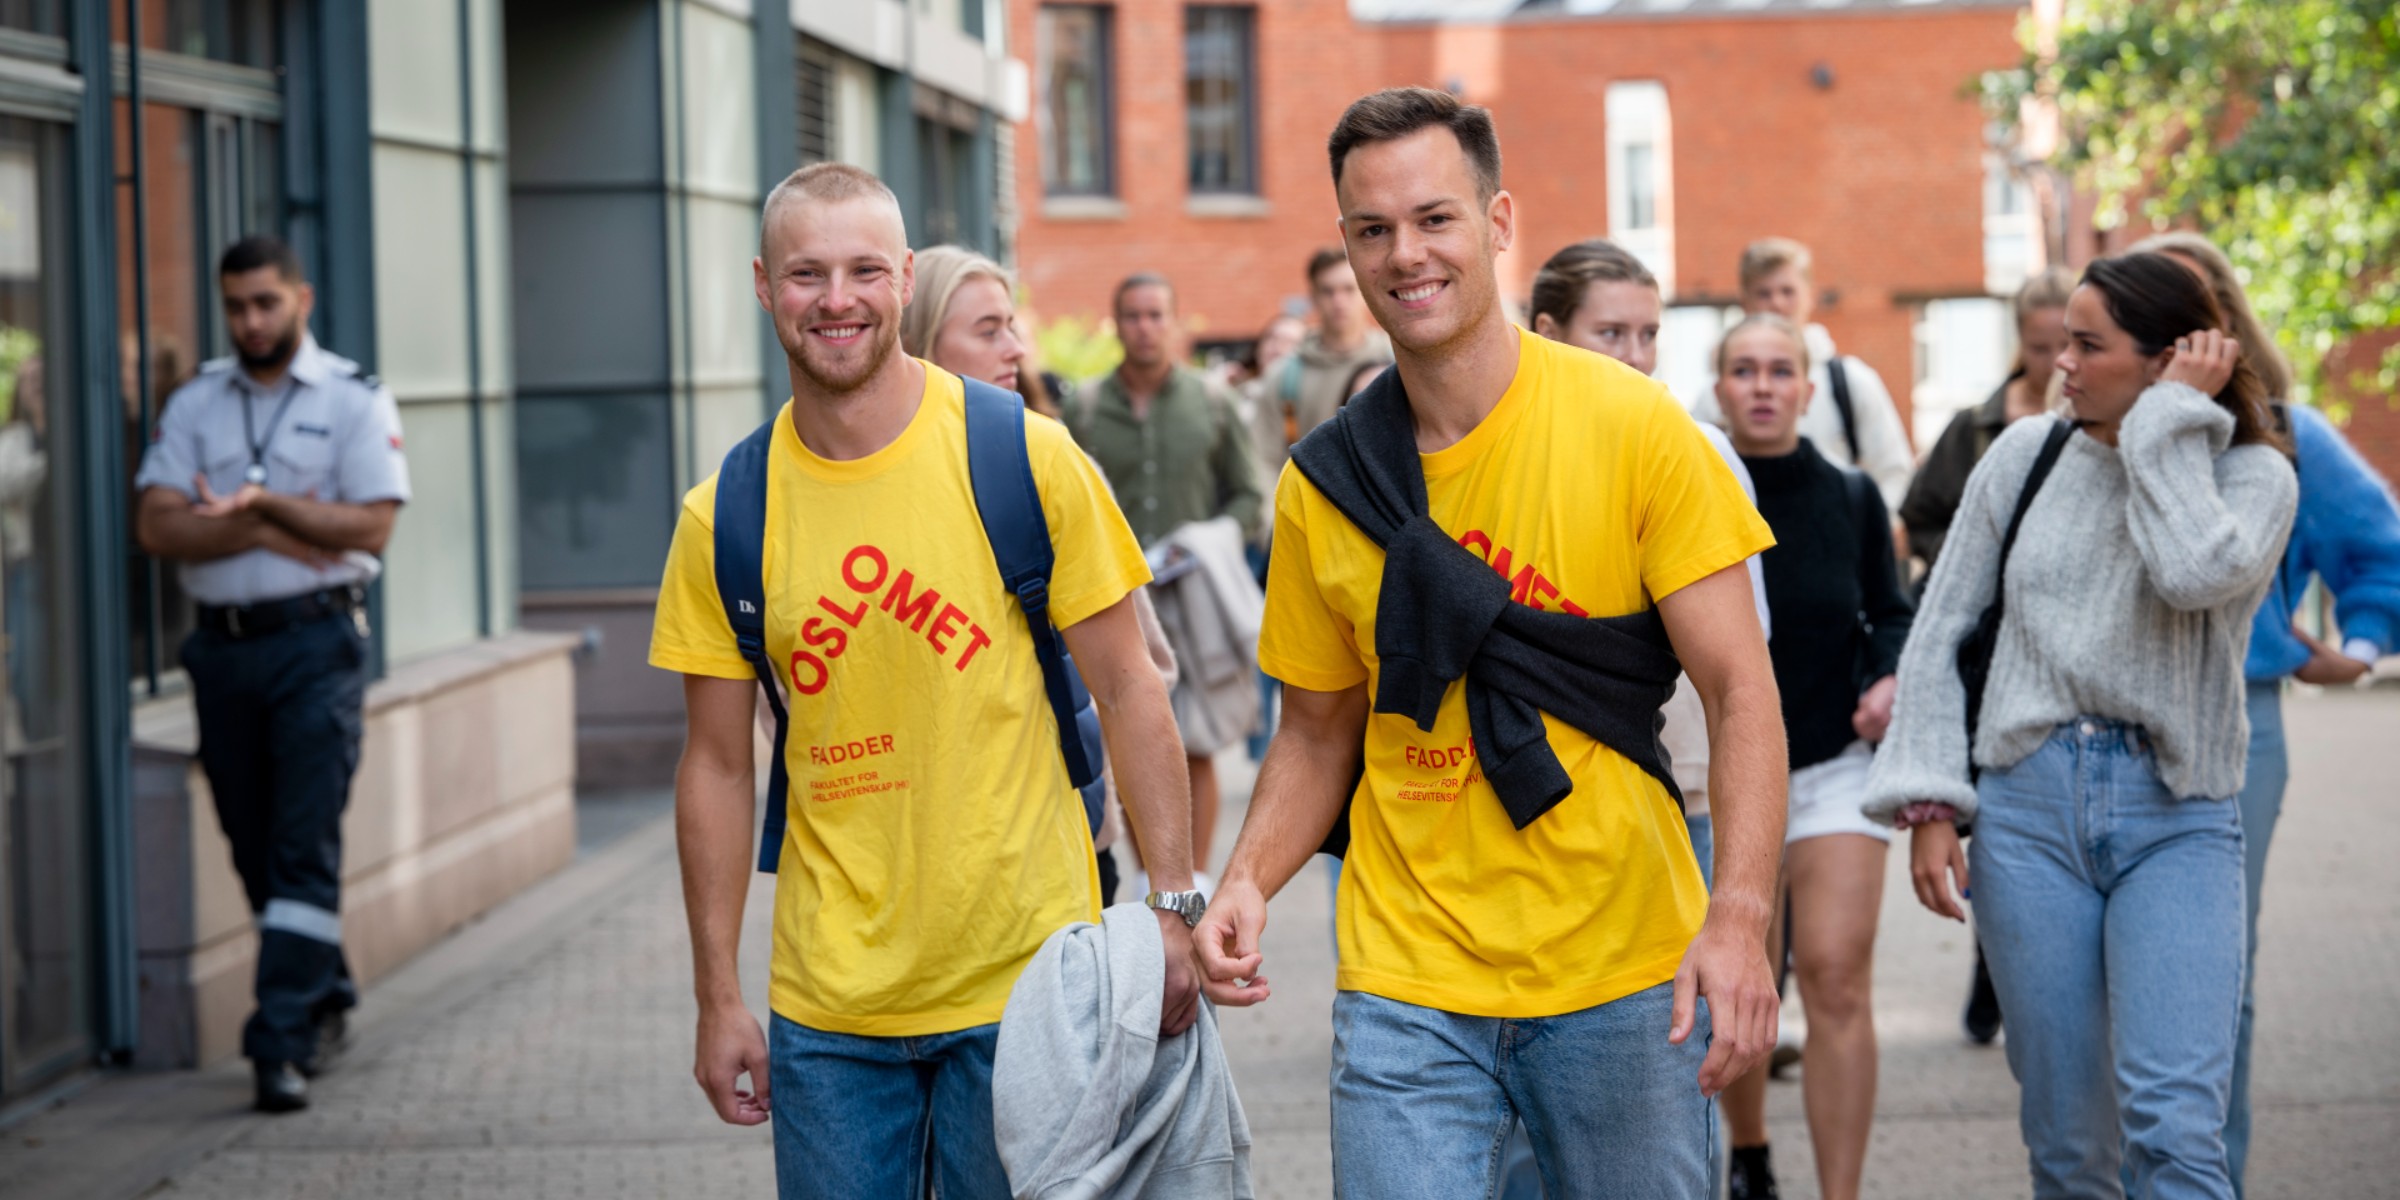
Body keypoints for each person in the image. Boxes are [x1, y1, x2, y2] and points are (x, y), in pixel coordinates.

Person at [1192, 87, 1786, 1199]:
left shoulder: (1634, 429)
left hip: (1623, 972)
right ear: (1347, 248)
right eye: (1373, 230)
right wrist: (1245, 882)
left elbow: (1741, 687)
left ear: (1499, 222)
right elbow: (1320, 732)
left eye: (1434, 219)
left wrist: (1742, 914)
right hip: (1406, 979)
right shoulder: (1326, 482)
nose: (1405, 255)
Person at [653, 165, 1203, 1200]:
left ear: (904, 280)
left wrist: (1171, 910)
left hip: (1028, 989)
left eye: (864, 269)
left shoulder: (1026, 460)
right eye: (807, 273)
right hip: (829, 1017)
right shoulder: (723, 513)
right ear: (765, 287)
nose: (837, 298)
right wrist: (719, 994)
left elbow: (1133, 690)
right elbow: (720, 767)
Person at [1870, 251, 2296, 1198]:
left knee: (2176, 1129)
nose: (2060, 363)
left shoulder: (2256, 479)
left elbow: (2191, 574)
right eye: (2062, 340)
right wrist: (1932, 799)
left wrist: (2165, 431)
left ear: (2169, 361)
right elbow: (1941, 628)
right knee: (2068, 1147)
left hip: (2177, 816)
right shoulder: (2024, 453)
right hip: (2028, 814)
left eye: (2089, 345)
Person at [2132, 229, 2400, 1197]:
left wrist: (2358, 649)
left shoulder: (2286, 432)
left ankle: (2209, 1179)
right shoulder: (2087, 435)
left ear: (2224, 324)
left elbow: (2378, 549)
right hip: (2097, 726)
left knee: (2211, 980)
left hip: (2239, 723)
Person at [131, 236, 411, 1114]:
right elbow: (159, 526)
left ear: (303, 297)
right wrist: (269, 531)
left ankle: (278, 1039)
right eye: (237, 306)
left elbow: (369, 529)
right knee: (252, 843)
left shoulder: (354, 398)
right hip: (221, 651)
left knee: (300, 843)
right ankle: (324, 990)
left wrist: (258, 505)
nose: (251, 321)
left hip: (315, 647)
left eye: (266, 303)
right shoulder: (197, 402)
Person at [1527, 235, 1776, 1200]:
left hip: (1678, 798)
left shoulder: (1693, 451)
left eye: (1648, 334)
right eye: (1609, 332)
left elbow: (1739, 667)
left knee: (1653, 1077)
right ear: (1548, 333)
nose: (1633, 355)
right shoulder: (1503, 453)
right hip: (1526, 808)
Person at [897, 243, 1182, 910]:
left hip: (1066, 845)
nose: (1017, 350)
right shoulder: (860, 492)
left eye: (1013, 327)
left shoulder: (1051, 466)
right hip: (916, 865)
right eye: (989, 330)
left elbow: (1145, 673)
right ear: (919, 343)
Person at [1712, 312, 1913, 1200]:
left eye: (1779, 370)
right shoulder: (1687, 483)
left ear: (1806, 387)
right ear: (1718, 389)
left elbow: (1891, 607)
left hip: (1834, 763)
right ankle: (1750, 1153)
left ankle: (1842, 1193)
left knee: (1834, 977)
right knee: (1743, 975)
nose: (1762, 385)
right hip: (1720, 778)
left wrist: (1888, 674)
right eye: (1744, 370)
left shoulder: (1854, 497)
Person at [1898, 265, 2074, 1047]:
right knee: (1990, 810)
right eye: (2040, 344)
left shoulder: (2102, 424)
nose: (2053, 360)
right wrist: (1974, 554)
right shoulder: (1976, 427)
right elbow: (1919, 515)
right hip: (1985, 652)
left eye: (2067, 342)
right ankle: (1990, 958)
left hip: (2063, 651)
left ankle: (2020, 965)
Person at [1067, 272, 1264, 875]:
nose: (1145, 328)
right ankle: (1154, 877)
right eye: (1132, 316)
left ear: (1175, 322)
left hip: (1190, 595)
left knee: (1193, 739)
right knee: (1126, 733)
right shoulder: (1085, 407)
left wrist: (1206, 542)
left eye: (1156, 315)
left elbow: (1251, 499)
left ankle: (1194, 882)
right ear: (1116, 323)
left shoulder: (1212, 402)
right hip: (1114, 598)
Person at [1693, 237, 1915, 513]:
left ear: (1810, 294)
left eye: (1788, 291)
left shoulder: (1851, 381)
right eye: (1764, 293)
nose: (1776, 303)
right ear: (1744, 301)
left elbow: (1894, 471)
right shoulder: (1714, 392)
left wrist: (1864, 532)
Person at [1253, 247, 1393, 485]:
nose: (1338, 301)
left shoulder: (1397, 360)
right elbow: (1264, 461)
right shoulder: (1284, 376)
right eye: (1328, 291)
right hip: (1310, 509)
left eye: (1348, 289)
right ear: (1313, 297)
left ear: (1364, 289)